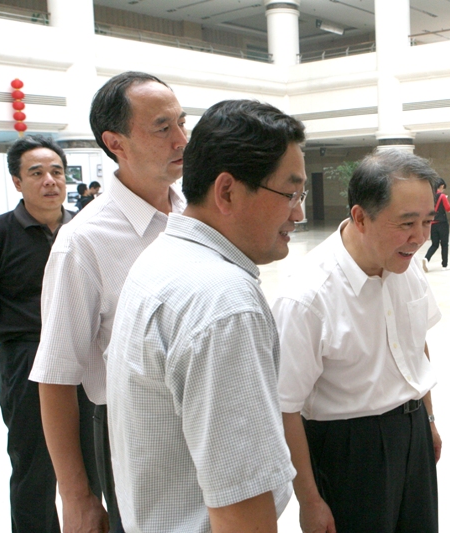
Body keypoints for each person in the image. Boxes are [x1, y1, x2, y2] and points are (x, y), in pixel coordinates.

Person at [107, 99, 304, 532]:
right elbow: (240, 508)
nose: (299, 213)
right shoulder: (225, 303)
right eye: (290, 194)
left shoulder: (162, 257)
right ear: (227, 191)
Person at [29, 71, 187, 533]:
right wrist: (77, 497)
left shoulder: (196, 213)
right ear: (116, 143)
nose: (181, 139)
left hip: (206, 417)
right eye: (162, 128)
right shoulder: (84, 241)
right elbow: (56, 377)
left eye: (182, 122)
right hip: (133, 433)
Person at [274, 150, 443, 533]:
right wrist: (310, 501)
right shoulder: (307, 296)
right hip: (350, 451)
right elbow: (285, 408)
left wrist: (428, 419)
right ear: (361, 217)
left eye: (427, 221)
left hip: (413, 429)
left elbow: (416, 345)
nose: (419, 238)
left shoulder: (407, 265)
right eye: (406, 223)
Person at [0, 135, 100, 532]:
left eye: (57, 172)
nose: (50, 180)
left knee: (93, 460)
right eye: (36, 173)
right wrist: (26, 340)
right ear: (17, 181)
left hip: (87, 358)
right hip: (26, 362)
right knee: (34, 467)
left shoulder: (87, 229)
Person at [422, 177, 450, 272]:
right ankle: (444, 265)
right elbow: (448, 209)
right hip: (442, 223)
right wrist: (446, 199)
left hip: (433, 224)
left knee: (434, 244)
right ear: (442, 186)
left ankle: (426, 258)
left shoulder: (430, 196)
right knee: (444, 244)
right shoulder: (442, 196)